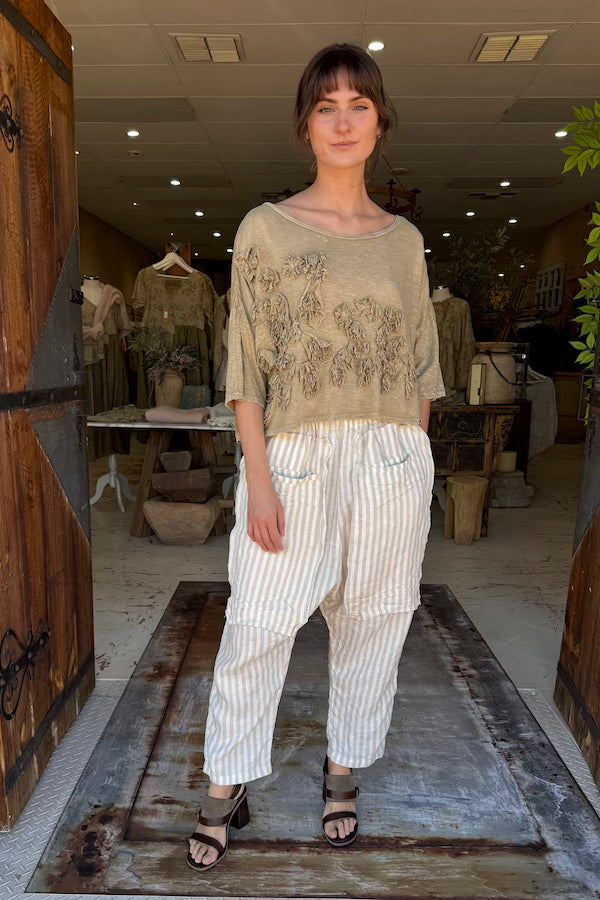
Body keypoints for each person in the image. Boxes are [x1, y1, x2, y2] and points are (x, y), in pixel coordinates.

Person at [187, 41, 446, 872]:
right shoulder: (264, 228)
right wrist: (258, 481)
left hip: (390, 453)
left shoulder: (403, 241)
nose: (342, 121)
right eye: (326, 106)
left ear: (379, 123)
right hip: (295, 456)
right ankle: (227, 782)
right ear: (306, 125)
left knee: (375, 618)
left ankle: (343, 770)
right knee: (258, 623)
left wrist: (412, 462)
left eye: (358, 105)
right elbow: (245, 368)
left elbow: (422, 366)